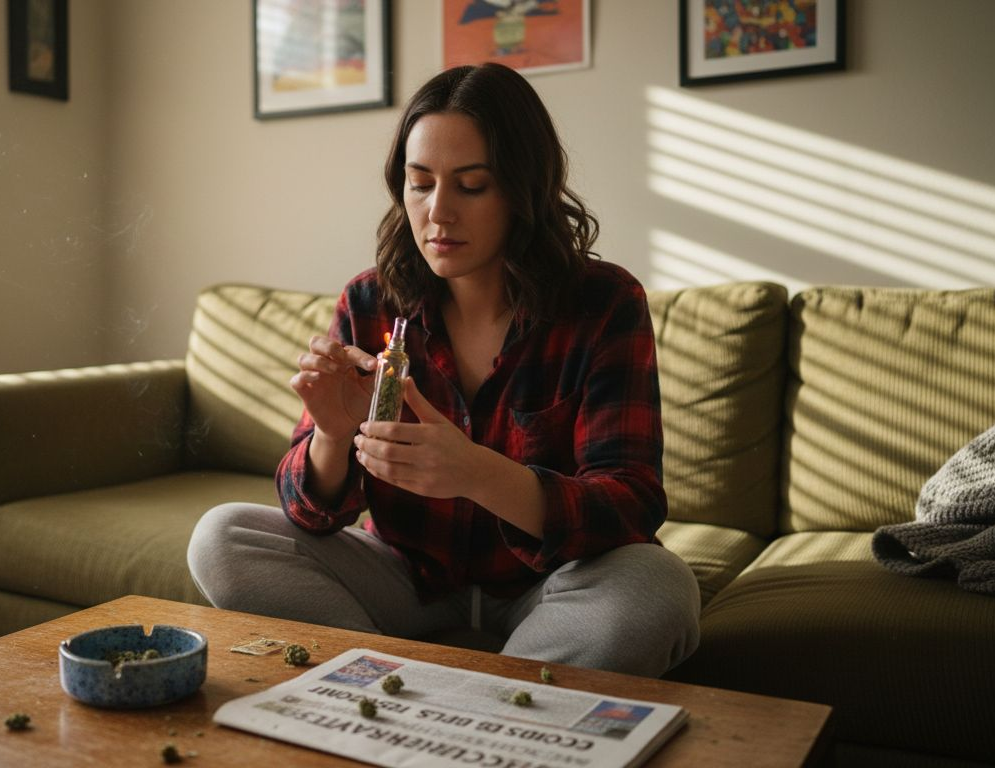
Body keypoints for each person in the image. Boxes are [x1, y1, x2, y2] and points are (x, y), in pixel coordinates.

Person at [187, 63, 700, 677]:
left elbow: (630, 505)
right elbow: (310, 514)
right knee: (223, 536)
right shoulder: (370, 303)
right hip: (407, 581)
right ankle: (419, 689)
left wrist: (478, 473)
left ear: (522, 188)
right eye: (420, 183)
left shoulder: (603, 304)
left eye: (472, 186)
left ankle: (432, 702)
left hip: (551, 588)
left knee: (656, 585)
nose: (438, 213)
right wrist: (330, 434)